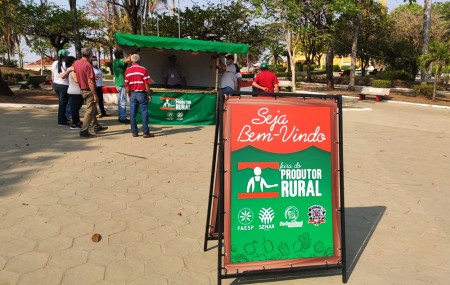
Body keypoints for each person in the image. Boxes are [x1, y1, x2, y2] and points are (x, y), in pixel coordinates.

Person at [73, 47, 108, 138]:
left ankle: (96, 125)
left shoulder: (77, 63)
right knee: (90, 110)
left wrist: (83, 80)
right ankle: (84, 131)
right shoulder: (88, 65)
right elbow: (90, 82)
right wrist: (95, 94)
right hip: (88, 90)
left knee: (92, 108)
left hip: (82, 89)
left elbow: (76, 74)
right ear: (90, 55)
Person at [124, 54, 154, 138]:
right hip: (142, 94)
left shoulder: (127, 71)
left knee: (133, 114)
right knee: (144, 113)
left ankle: (134, 132)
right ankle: (146, 133)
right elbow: (146, 83)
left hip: (133, 93)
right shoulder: (143, 70)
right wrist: (149, 94)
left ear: (131, 61)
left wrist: (129, 94)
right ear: (139, 61)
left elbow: (127, 85)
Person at [51, 49, 71, 126]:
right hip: (64, 85)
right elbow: (66, 75)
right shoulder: (66, 64)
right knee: (63, 104)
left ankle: (64, 117)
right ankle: (61, 121)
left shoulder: (54, 63)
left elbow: (52, 74)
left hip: (56, 84)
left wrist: (54, 82)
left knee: (63, 103)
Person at [113, 49, 131, 124]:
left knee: (120, 101)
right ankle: (123, 117)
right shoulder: (117, 61)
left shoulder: (117, 62)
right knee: (123, 101)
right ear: (120, 55)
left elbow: (127, 62)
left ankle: (121, 116)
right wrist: (132, 53)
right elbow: (127, 60)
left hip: (119, 83)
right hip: (121, 84)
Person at [65, 56, 83, 130]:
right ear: (72, 62)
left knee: (77, 107)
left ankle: (77, 121)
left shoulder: (71, 70)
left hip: (76, 91)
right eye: (76, 61)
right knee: (75, 108)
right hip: (75, 92)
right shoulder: (72, 71)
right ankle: (75, 124)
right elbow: (76, 80)